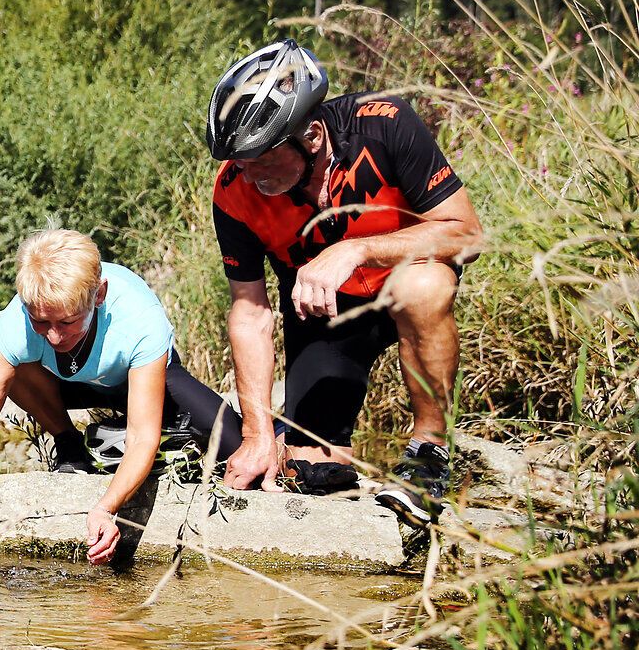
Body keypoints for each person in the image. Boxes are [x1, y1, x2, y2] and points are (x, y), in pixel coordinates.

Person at [204, 39, 484, 523]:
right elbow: (250, 311)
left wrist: (355, 248)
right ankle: (322, 457)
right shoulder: (234, 191)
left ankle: (431, 451)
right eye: (239, 163)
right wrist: (257, 434)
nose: (247, 177)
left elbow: (466, 235)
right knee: (310, 475)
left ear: (311, 135)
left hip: (406, 288)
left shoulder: (385, 125)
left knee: (421, 288)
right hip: (325, 317)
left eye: (261, 161)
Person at [0, 229, 239, 567]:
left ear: (99, 295)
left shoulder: (139, 317)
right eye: (41, 322)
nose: (56, 335)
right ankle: (69, 443)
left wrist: (106, 507)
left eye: (68, 321)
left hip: (138, 381)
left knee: (230, 440)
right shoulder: (15, 324)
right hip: (64, 384)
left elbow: (141, 437)